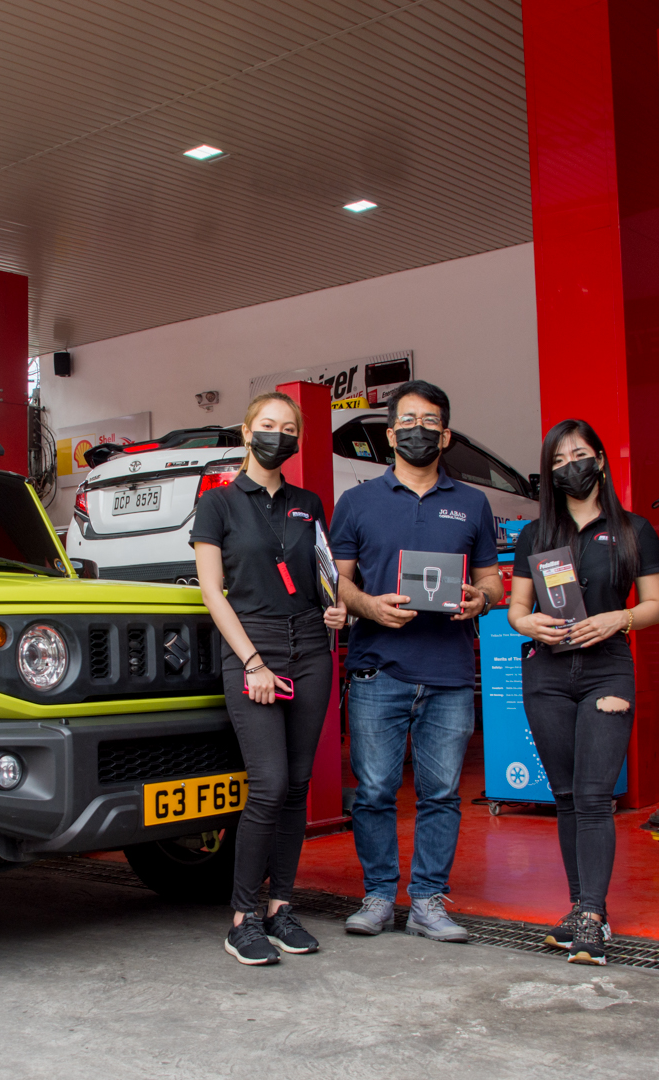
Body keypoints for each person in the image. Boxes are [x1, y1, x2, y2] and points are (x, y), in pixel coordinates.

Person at [329, 379, 504, 942]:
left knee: (442, 795)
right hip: (377, 669)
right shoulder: (357, 502)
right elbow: (337, 584)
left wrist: (481, 600)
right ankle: (379, 896)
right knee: (374, 792)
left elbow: (493, 582)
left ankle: (428, 900)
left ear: (445, 435)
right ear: (389, 434)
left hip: (449, 674)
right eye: (407, 420)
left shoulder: (473, 503)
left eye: (429, 421)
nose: (418, 430)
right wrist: (370, 607)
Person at [191, 391, 348, 965]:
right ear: (246, 431)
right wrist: (253, 662)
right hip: (253, 647)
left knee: (298, 786)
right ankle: (243, 918)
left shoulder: (308, 503)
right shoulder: (218, 503)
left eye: (287, 428)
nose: (276, 435)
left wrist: (337, 609)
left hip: (310, 646)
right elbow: (212, 592)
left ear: (297, 439)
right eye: (267, 425)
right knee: (270, 784)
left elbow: (324, 575)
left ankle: (282, 907)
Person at [507, 420, 659, 966]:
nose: (569, 466)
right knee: (566, 795)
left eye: (578, 455)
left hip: (607, 671)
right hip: (546, 675)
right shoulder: (535, 534)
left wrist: (619, 618)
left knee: (595, 794)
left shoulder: (634, 530)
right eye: (557, 461)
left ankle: (593, 917)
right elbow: (517, 609)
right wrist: (529, 624)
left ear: (599, 459)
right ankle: (580, 907)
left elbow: (655, 605)